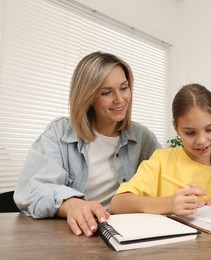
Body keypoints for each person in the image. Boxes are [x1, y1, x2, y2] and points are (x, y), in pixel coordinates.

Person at [14, 52, 160, 237]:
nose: (120, 99)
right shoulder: (59, 134)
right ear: (88, 96)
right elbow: (31, 190)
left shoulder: (143, 138)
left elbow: (167, 178)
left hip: (126, 233)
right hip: (77, 235)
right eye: (106, 92)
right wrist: (72, 204)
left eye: (124, 88)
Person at [109, 83, 211, 216]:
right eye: (190, 133)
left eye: (210, 129)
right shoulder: (162, 161)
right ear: (176, 127)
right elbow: (117, 204)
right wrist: (169, 204)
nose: (201, 140)